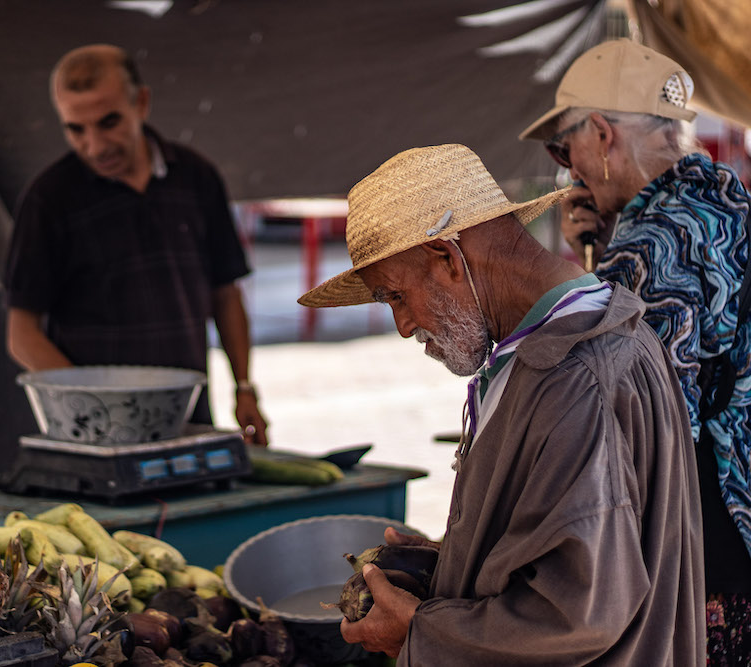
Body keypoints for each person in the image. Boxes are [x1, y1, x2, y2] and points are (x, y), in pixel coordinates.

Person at [298, 144, 704, 664]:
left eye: (395, 296)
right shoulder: (565, 346)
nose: (402, 328)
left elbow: (575, 618)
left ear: (447, 257)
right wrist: (457, 562)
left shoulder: (575, 377)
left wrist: (419, 635)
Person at [520, 38, 751, 663]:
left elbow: (624, 411)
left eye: (564, 150)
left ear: (600, 134)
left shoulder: (646, 247)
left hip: (709, 545)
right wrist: (598, 247)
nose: (571, 172)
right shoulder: (728, 203)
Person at [4, 44, 268, 445]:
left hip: (189, 418)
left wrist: (244, 386)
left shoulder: (196, 177)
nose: (95, 145)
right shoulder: (49, 198)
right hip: (94, 435)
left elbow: (226, 294)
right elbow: (21, 334)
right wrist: (93, 405)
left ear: (141, 103)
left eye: (108, 123)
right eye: (76, 129)